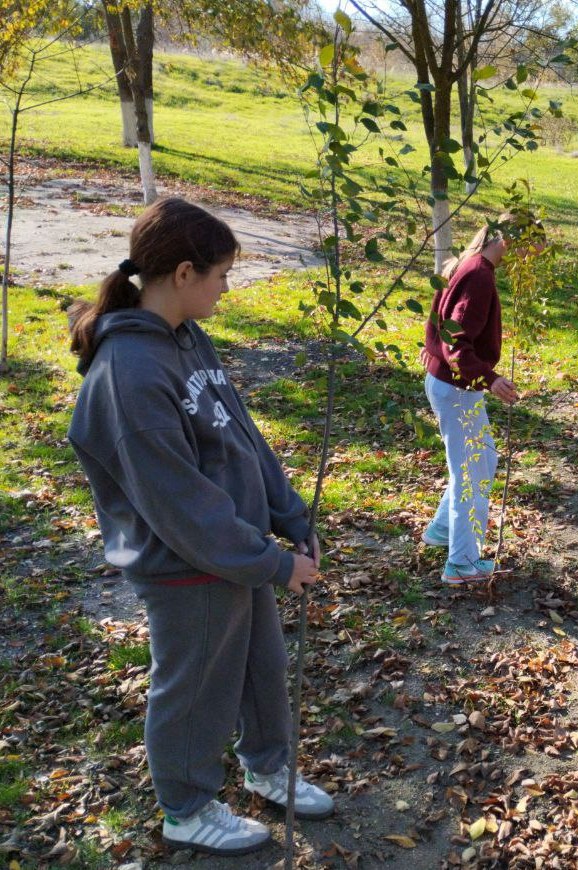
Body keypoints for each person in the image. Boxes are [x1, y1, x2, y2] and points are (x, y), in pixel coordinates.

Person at [67, 198, 333, 857]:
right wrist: (273, 563)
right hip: (186, 565)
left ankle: (267, 766)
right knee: (195, 689)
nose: (226, 288)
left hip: (235, 549)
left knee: (261, 669)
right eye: (220, 275)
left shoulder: (186, 337)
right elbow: (179, 503)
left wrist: (289, 516)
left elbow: (240, 434)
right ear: (184, 273)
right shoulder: (129, 374)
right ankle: (184, 807)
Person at [420, 214, 523, 584]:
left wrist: (432, 349)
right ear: (510, 240)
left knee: (481, 462)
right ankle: (462, 564)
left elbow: (440, 320)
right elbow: (456, 341)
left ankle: (442, 530)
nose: (526, 260)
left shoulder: (471, 262)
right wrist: (490, 380)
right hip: (457, 389)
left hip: (451, 384)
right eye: (528, 250)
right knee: (472, 473)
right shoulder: (479, 274)